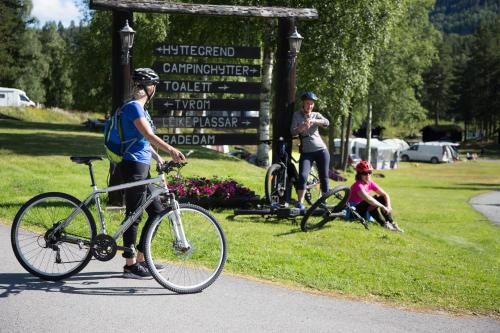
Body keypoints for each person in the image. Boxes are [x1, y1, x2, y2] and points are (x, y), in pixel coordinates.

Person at [119, 68, 185, 279]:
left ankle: (141, 257)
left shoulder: (140, 109)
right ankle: (130, 265)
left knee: (157, 211)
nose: (154, 89)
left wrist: (157, 158)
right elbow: (147, 134)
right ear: (150, 88)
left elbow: (143, 140)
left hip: (142, 165)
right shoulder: (133, 108)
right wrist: (171, 150)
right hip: (132, 165)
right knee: (134, 214)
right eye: (153, 85)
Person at [290, 91, 330, 210]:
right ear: (303, 103)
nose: (310, 106)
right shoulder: (297, 115)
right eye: (308, 103)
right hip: (307, 152)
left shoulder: (316, 114)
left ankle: (324, 202)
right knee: (302, 176)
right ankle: (300, 202)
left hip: (321, 150)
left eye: (312, 104)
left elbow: (327, 123)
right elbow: (292, 131)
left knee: (324, 177)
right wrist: (302, 126)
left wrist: (313, 121)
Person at [348, 161, 403, 232]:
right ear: (359, 174)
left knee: (381, 197)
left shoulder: (370, 183)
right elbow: (368, 199)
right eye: (364, 173)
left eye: (369, 172)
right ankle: (384, 224)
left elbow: (385, 194)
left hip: (364, 210)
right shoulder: (357, 185)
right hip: (353, 213)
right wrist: (382, 206)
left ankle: (391, 223)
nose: (367, 175)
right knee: (374, 199)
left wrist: (388, 206)